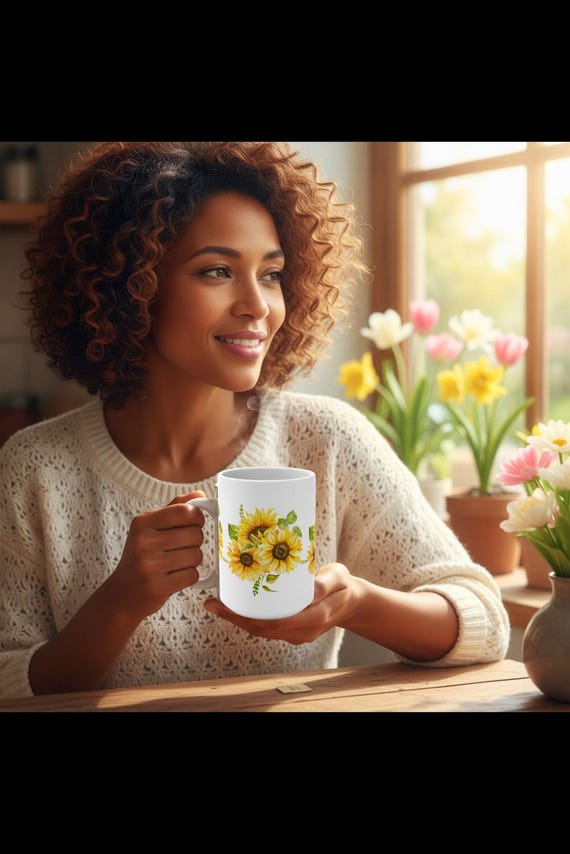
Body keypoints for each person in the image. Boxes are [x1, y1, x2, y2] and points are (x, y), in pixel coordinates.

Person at [0, 141, 510, 698]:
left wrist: (355, 602)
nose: (258, 305)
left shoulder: (327, 438)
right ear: (130, 287)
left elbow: (483, 622)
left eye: (271, 274)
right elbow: (8, 683)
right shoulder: (33, 469)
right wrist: (120, 601)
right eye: (217, 270)